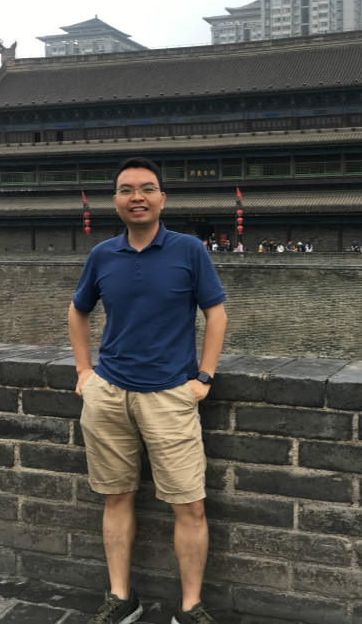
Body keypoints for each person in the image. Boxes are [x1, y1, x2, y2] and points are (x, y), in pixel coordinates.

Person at [68, 157, 227, 624]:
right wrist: (84, 371)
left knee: (189, 503)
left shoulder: (189, 250)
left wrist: (204, 377)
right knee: (116, 497)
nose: (137, 197)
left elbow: (215, 313)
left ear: (162, 198)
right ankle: (121, 598)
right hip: (109, 394)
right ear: (115, 200)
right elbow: (78, 311)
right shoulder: (103, 255)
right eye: (126, 190)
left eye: (147, 188)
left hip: (170, 395)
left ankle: (190, 607)